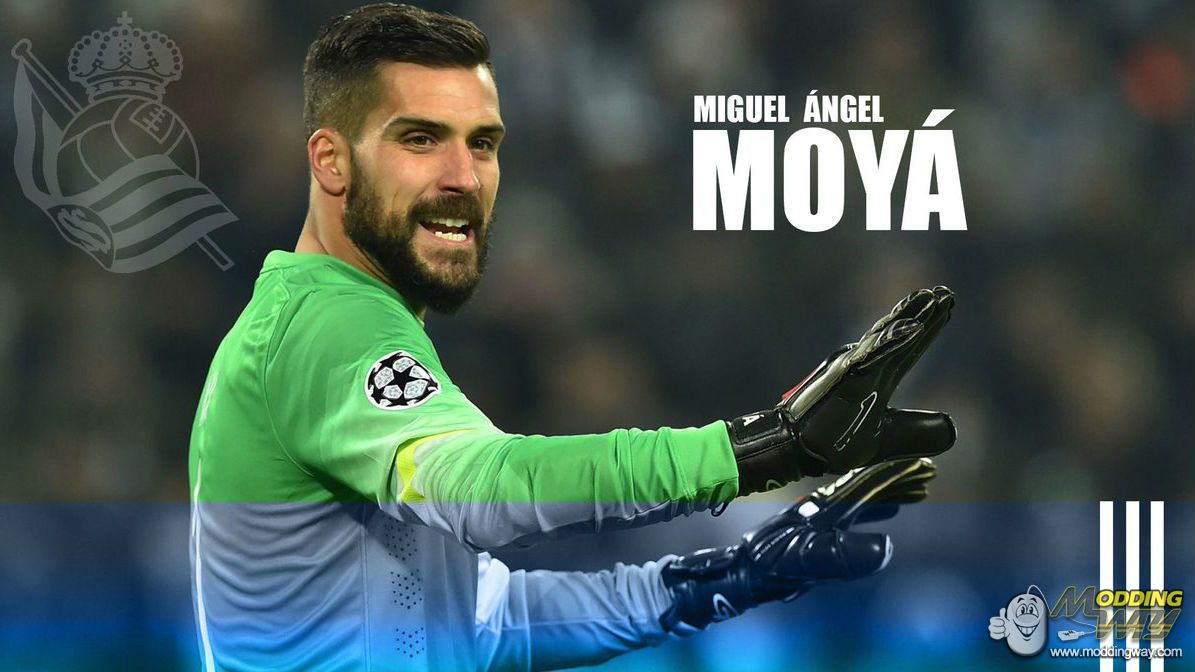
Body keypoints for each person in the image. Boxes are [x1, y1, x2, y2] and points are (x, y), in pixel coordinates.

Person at [188, 4, 957, 670]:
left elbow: (488, 624)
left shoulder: (342, 326)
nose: (463, 177)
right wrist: (764, 448)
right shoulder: (326, 330)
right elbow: (482, 494)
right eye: (419, 139)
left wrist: (728, 577)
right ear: (331, 162)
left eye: (481, 143)